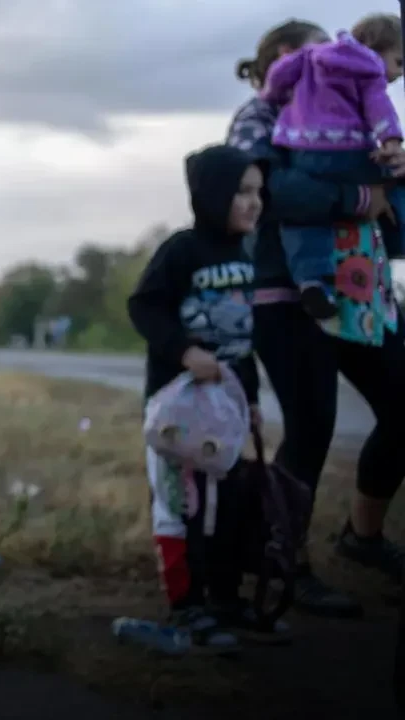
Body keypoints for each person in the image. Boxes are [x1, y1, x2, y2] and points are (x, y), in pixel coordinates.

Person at [229, 19, 405, 619]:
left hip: (362, 289)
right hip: (286, 295)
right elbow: (269, 194)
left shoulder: (354, 115)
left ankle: (363, 537)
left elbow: (390, 220)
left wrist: (395, 176)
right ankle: (285, 568)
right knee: (310, 432)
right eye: (322, 54)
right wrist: (359, 198)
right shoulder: (254, 119)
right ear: (285, 56)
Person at [127, 144, 268, 652]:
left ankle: (224, 600)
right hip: (176, 408)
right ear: (212, 196)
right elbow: (143, 307)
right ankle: (187, 608)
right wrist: (184, 352)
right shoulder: (182, 250)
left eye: (258, 192)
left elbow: (241, 342)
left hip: (224, 407)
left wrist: (250, 400)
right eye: (242, 192)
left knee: (225, 501)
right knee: (177, 503)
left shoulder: (244, 255)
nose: (255, 202)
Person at [259, 14, 405, 321]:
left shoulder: (308, 60)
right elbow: (379, 105)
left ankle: (313, 280)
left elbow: (276, 80)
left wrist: (274, 95)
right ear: (376, 49)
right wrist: (391, 140)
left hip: (305, 150)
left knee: (305, 224)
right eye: (399, 63)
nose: (398, 74)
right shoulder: (368, 68)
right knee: (393, 175)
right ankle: (398, 235)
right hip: (352, 151)